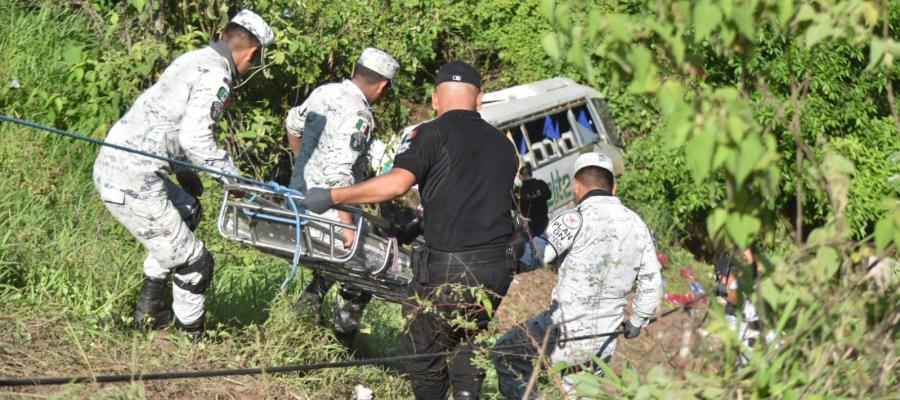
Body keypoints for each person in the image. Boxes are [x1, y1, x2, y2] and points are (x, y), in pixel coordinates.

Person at [302, 61, 519, 400]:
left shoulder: (429, 133)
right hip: (497, 268)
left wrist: (332, 196)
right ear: (480, 101)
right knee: (467, 334)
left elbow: (396, 184)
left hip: (449, 267)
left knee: (423, 347)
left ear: (435, 100)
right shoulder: (505, 147)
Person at [92, 10, 274, 338]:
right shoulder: (218, 75)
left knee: (188, 210)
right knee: (197, 263)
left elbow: (167, 121)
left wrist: (185, 171)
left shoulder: (191, 59)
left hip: (117, 164)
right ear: (253, 53)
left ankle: (149, 311)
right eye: (256, 61)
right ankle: (191, 339)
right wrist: (234, 181)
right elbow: (195, 138)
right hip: (134, 178)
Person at [492, 152, 663, 399]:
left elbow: (535, 256)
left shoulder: (575, 219)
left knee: (507, 352)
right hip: (606, 335)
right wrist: (637, 322)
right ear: (613, 187)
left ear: (575, 185)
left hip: (564, 329)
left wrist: (513, 244)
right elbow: (651, 282)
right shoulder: (637, 225)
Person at [286, 47, 399, 347]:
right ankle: (342, 341)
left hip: (301, 199)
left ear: (355, 70)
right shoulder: (359, 115)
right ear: (384, 86)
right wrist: (348, 228)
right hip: (331, 211)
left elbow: (292, 124)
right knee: (366, 272)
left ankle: (307, 309)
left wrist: (302, 167)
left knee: (337, 264)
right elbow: (340, 175)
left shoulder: (325, 92)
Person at [516, 164, 552, 270]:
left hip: (529, 224)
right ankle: (546, 263)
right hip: (543, 220)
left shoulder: (520, 190)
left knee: (532, 247)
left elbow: (515, 206)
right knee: (543, 243)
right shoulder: (541, 184)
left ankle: (537, 266)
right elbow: (548, 195)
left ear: (521, 176)